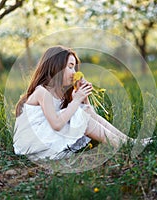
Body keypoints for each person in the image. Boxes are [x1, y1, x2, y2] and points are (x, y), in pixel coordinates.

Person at [13, 45, 147, 161]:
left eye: (75, 68)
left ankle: (129, 142)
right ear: (56, 67)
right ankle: (126, 146)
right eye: (70, 67)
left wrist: (83, 96)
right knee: (83, 118)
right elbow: (57, 124)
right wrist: (76, 100)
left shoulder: (61, 92)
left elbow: (88, 112)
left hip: (45, 136)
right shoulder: (42, 92)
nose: (74, 72)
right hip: (33, 142)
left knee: (85, 113)